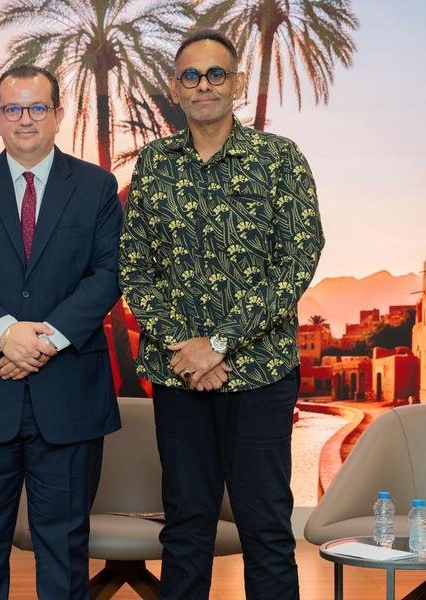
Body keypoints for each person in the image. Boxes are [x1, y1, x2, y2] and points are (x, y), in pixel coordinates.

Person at [120, 29, 325, 600]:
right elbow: (134, 267)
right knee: (186, 527)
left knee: (265, 526)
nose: (204, 85)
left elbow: (298, 257)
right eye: (191, 75)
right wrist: (188, 349)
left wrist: (220, 343)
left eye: (216, 74)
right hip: (178, 375)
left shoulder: (279, 158)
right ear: (175, 89)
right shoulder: (155, 164)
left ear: (236, 83)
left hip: (260, 376)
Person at [0, 65, 122, 599]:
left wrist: (44, 340)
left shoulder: (96, 187)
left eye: (38, 107)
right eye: (13, 108)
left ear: (58, 114)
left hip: (68, 398)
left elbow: (109, 273)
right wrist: (4, 333)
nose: (25, 119)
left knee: (65, 554)